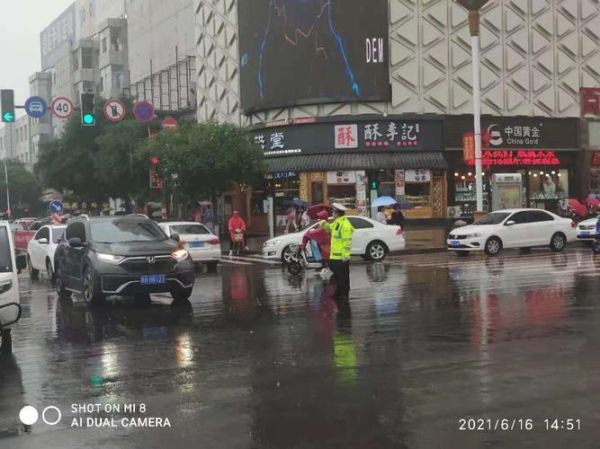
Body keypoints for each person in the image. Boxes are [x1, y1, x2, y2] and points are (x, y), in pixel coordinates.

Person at [319, 203, 354, 299]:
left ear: (338, 213)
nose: (332, 213)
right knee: (337, 277)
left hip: (341, 257)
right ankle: (338, 292)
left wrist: (345, 255)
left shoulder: (345, 224)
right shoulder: (337, 222)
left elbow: (347, 241)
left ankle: (344, 294)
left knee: (343, 277)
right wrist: (323, 223)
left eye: (333, 212)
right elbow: (329, 228)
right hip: (334, 256)